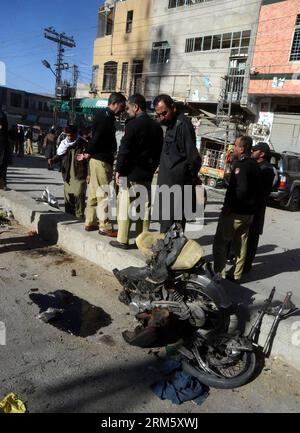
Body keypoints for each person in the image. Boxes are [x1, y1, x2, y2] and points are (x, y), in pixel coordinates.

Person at [109, 93, 163, 250]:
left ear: (136, 106)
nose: (127, 110)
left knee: (125, 205)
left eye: (128, 107)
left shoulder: (132, 125)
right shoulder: (157, 128)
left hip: (129, 173)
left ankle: (123, 240)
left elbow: (125, 149)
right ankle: (143, 241)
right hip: (146, 174)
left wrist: (119, 170)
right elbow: (159, 152)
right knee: (144, 210)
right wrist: (152, 169)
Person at [213, 136, 261, 283]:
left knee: (220, 244)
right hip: (249, 214)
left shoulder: (242, 165)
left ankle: (218, 275)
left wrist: (229, 207)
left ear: (242, 148)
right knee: (241, 246)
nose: (232, 147)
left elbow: (241, 190)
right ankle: (236, 275)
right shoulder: (255, 165)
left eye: (235, 145)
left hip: (235, 213)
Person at [153, 94, 201, 233]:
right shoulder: (171, 124)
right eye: (159, 114)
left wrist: (190, 178)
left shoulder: (183, 125)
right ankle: (165, 252)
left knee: (174, 226)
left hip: (178, 187)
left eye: (164, 113)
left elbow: (193, 157)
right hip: (167, 185)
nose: (162, 117)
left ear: (173, 108)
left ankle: (171, 253)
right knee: (165, 223)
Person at [80, 92, 127, 236]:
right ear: (114, 103)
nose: (123, 109)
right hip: (101, 160)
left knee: (94, 192)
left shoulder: (104, 116)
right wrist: (88, 151)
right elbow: (97, 137)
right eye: (122, 106)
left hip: (96, 159)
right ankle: (104, 226)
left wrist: (89, 152)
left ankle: (90, 222)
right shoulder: (106, 118)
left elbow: (96, 136)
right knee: (104, 193)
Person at [243, 142, 275, 273]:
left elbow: (259, 191)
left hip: (256, 210)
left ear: (262, 153)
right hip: (249, 208)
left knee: (251, 239)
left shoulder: (266, 169)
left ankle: (246, 266)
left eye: (254, 150)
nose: (252, 152)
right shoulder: (255, 165)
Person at [50, 125, 88, 219]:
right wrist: (52, 160)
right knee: (68, 197)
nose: (69, 137)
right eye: (67, 135)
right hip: (67, 174)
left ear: (76, 134)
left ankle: (79, 216)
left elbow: (89, 160)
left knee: (79, 195)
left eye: (71, 135)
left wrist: (89, 174)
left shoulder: (83, 143)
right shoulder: (64, 144)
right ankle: (69, 216)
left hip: (79, 174)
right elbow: (60, 155)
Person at [0, 108, 12, 190]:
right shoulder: (3, 115)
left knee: (3, 164)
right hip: (3, 144)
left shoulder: (2, 115)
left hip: (3, 144)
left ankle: (2, 182)